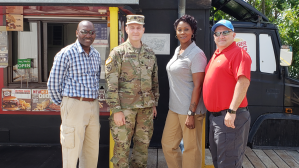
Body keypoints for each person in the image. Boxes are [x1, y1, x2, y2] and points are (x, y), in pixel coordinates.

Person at [105, 15, 159, 168]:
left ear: (143, 30)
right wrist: (116, 110)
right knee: (121, 150)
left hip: (146, 109)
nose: (135, 30)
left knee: (142, 148)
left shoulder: (149, 52)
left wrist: (154, 103)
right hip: (124, 109)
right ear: (126, 29)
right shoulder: (117, 53)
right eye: (132, 27)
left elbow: (154, 81)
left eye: (138, 27)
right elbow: (111, 85)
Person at [47, 20, 101, 168]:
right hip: (74, 104)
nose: (88, 35)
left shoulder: (96, 54)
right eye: (84, 31)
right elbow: (53, 84)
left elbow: (96, 80)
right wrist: (65, 103)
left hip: (93, 105)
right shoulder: (65, 53)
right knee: (71, 150)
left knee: (91, 150)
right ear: (77, 33)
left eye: (91, 32)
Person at [203, 20, 252, 168]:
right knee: (220, 161)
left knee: (228, 163)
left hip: (230, 117)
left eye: (225, 32)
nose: (221, 36)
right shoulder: (217, 54)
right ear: (214, 37)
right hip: (216, 118)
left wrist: (231, 111)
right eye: (217, 33)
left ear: (233, 34)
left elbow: (243, 82)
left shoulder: (238, 53)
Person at [161, 14, 207, 168]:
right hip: (174, 108)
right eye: (179, 29)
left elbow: (198, 86)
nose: (182, 32)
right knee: (168, 144)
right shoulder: (178, 50)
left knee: (191, 150)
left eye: (186, 29)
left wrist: (191, 114)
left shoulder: (197, 54)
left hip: (190, 110)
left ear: (192, 31)